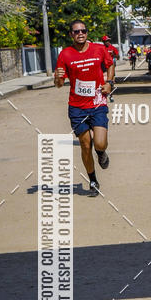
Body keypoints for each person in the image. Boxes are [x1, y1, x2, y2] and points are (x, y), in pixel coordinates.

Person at [54, 20, 114, 196]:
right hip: (77, 107)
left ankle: (101, 152)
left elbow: (110, 64)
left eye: (83, 30)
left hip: (97, 102)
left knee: (100, 143)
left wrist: (109, 83)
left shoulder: (99, 49)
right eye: (76, 31)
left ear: (87, 33)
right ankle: (93, 179)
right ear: (71, 34)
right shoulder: (65, 55)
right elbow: (59, 84)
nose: (80, 33)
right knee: (85, 144)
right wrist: (57, 78)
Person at [100, 36, 119, 102]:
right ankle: (103, 96)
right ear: (103, 42)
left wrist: (114, 55)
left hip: (111, 67)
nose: (108, 42)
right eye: (106, 41)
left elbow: (118, 57)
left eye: (108, 41)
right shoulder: (101, 48)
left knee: (111, 82)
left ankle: (111, 95)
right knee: (103, 82)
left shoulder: (112, 48)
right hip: (103, 67)